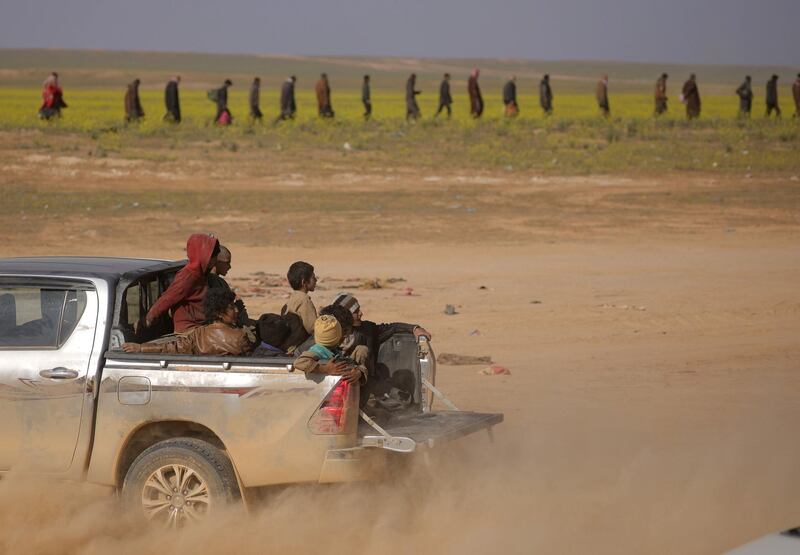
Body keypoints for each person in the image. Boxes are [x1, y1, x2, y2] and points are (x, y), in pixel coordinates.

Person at [122, 289, 253, 356]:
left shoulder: (198, 334)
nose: (236, 310)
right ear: (219, 312)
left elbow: (171, 347)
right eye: (231, 307)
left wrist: (141, 348)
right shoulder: (239, 337)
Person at [332, 292, 431, 375]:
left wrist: (415, 329)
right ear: (344, 315)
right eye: (356, 311)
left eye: (359, 309)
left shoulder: (367, 329)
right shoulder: (328, 333)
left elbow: (392, 327)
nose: (361, 313)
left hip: (363, 382)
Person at [144, 233, 220, 333]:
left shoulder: (202, 273)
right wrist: (150, 318)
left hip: (202, 327)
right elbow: (169, 297)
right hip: (190, 331)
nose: (215, 260)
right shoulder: (189, 275)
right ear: (202, 256)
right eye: (212, 257)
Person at [292, 315, 366, 385]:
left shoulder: (333, 350)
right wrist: (325, 369)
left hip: (338, 387)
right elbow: (299, 363)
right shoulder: (317, 350)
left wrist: (359, 372)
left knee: (362, 349)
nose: (345, 335)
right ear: (337, 336)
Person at [207, 245, 251, 326]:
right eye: (227, 263)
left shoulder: (219, 281)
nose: (229, 267)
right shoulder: (213, 281)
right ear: (217, 262)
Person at [282, 260, 317, 337]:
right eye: (313, 278)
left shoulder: (293, 298)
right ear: (304, 282)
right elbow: (312, 329)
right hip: (300, 344)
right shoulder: (304, 301)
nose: (316, 280)